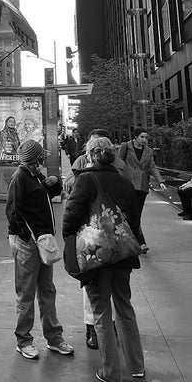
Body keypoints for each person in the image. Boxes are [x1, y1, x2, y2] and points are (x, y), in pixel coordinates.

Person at [63, 137, 145, 382]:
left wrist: (72, 239)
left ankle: (110, 372)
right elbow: (134, 220)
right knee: (125, 307)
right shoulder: (124, 181)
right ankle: (137, 366)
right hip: (122, 255)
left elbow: (71, 216)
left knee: (100, 311)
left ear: (90, 155)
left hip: (96, 256)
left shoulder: (86, 179)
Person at [5, 139, 74, 360]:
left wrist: (54, 182)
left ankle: (54, 338)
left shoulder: (35, 175)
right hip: (29, 244)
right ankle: (23, 340)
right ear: (36, 160)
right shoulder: (20, 178)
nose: (43, 160)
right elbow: (13, 213)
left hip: (42, 243)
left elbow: (48, 193)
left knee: (47, 290)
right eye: (41, 158)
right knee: (26, 293)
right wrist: (28, 239)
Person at [64, 128, 131, 351]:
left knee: (97, 296)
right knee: (120, 299)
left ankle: (106, 356)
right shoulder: (86, 170)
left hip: (97, 245)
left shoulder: (96, 174)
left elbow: (71, 213)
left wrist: (70, 238)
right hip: (119, 246)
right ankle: (133, 361)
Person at [118, 127, 166, 253]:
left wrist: (160, 181)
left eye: (146, 137)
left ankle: (135, 242)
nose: (144, 140)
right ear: (136, 137)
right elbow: (119, 163)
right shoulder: (126, 146)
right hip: (128, 184)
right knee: (131, 214)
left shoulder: (148, 151)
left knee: (136, 214)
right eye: (142, 137)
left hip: (142, 186)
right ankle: (140, 242)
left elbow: (153, 167)